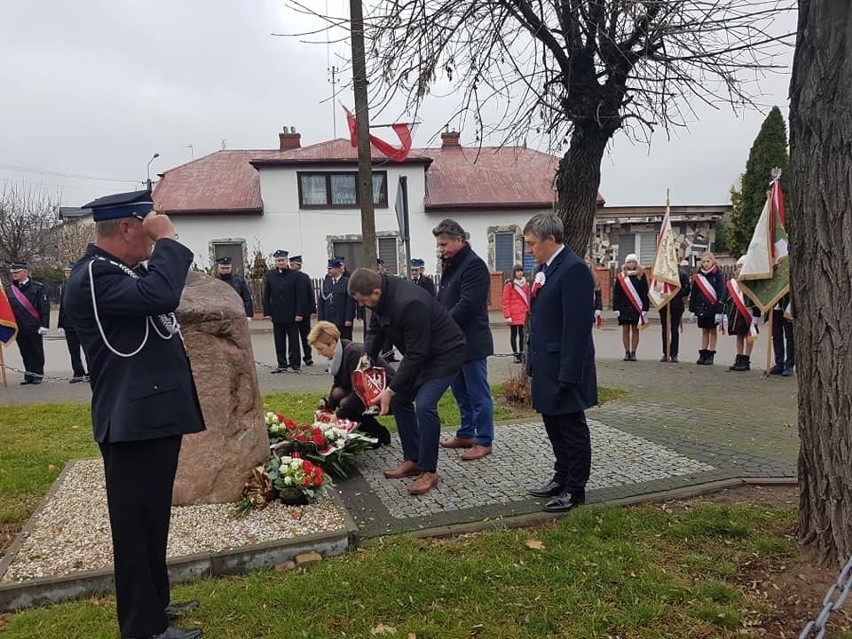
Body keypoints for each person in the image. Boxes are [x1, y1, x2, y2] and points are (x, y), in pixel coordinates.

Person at [63, 190, 205, 639]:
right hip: (131, 424)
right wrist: (169, 241)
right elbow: (162, 294)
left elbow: (155, 297)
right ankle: (144, 628)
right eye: (148, 223)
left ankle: (156, 607)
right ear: (126, 227)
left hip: (149, 418)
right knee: (135, 531)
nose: (154, 232)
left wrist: (158, 245)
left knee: (151, 522)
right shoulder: (94, 276)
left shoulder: (116, 272)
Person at [348, 268, 466, 495]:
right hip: (422, 355)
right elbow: (375, 330)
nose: (362, 305)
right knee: (401, 401)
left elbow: (416, 355)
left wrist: (389, 390)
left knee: (424, 404)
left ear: (376, 291)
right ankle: (413, 460)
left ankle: (429, 471)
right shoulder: (380, 297)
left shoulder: (410, 303)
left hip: (445, 355)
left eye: (363, 301)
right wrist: (366, 358)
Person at [523, 212, 596, 513]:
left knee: (571, 428)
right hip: (547, 365)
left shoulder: (573, 269)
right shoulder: (548, 268)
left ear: (550, 239)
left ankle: (575, 489)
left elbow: (577, 328)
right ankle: (561, 477)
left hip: (566, 368)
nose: (529, 250)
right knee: (553, 425)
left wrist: (569, 374)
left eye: (532, 243)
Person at [433, 218, 495, 461]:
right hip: (453, 343)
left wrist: (441, 326)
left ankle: (484, 440)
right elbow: (443, 299)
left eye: (445, 244)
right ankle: (467, 433)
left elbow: (466, 305)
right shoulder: (450, 264)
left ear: (460, 240)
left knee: (478, 394)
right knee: (460, 391)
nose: (441, 249)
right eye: (439, 245)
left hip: (472, 342)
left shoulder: (474, 265)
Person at [307, 320, 393, 446]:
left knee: (346, 404)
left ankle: (379, 433)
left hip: (386, 393)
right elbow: (338, 384)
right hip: (367, 392)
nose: (319, 353)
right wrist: (328, 408)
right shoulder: (339, 353)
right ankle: (370, 430)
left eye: (320, 349)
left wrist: (338, 415)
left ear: (333, 343)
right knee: (337, 394)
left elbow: (359, 391)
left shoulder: (353, 354)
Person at [262, 249, 308, 373]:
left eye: (282, 260)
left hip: (292, 314)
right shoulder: (271, 275)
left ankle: (295, 365)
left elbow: (300, 296)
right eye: (278, 261)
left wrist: (299, 313)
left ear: (287, 261)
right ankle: (281, 364)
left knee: (293, 341)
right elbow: (267, 295)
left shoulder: (295, 275)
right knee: (279, 340)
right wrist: (267, 312)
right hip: (277, 313)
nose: (280, 263)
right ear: (275, 262)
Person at [6, 261, 50, 384]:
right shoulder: (10, 289)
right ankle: (29, 374)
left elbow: (44, 308)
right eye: (12, 273)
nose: (14, 275)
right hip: (19, 326)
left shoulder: (37, 287)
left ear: (25, 272)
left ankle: (38, 374)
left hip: (34, 326)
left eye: (17, 272)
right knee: (25, 351)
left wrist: (44, 325)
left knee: (36, 351)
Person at [688, 251, 726, 365]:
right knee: (704, 331)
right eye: (703, 262)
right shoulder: (698, 276)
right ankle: (703, 353)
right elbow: (694, 293)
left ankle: (711, 353)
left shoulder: (718, 275)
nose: (705, 264)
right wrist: (692, 310)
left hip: (713, 308)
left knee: (712, 331)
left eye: (708, 261)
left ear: (712, 261)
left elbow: (721, 293)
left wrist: (719, 311)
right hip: (701, 307)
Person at [724, 256, 761, 371]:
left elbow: (756, 300)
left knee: (749, 337)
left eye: (742, 266)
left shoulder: (752, 283)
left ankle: (746, 359)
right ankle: (739, 358)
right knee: (739, 336)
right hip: (736, 315)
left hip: (748, 315)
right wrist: (724, 314)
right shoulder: (732, 283)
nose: (740, 269)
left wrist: (756, 316)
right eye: (738, 267)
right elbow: (725, 299)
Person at [611, 254, 649, 361]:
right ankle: (627, 352)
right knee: (625, 330)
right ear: (626, 264)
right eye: (629, 262)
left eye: (633, 262)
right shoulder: (621, 277)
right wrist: (616, 308)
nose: (631, 264)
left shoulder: (641, 276)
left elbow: (645, 293)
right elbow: (616, 293)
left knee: (635, 330)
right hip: (624, 307)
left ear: (636, 263)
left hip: (637, 307)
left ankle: (634, 352)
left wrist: (645, 308)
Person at [58, 261, 89, 382]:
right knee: (73, 351)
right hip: (68, 324)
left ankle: (91, 372)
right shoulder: (64, 287)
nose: (67, 274)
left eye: (69, 272)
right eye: (65, 272)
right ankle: (78, 372)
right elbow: (62, 307)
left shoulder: (81, 284)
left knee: (87, 350)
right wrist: (60, 324)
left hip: (81, 324)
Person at [658, 260, 692, 363]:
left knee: (674, 329)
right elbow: (656, 288)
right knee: (665, 329)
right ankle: (665, 353)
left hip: (677, 304)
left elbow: (687, 290)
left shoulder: (682, 274)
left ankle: (674, 354)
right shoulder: (660, 274)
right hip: (663, 304)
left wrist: (675, 291)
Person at [317, 258, 355, 341]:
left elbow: (350, 303)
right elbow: (321, 302)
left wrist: (348, 318)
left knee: (344, 341)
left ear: (338, 269)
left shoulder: (347, 282)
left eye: (331, 269)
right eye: (328, 269)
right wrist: (321, 319)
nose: (328, 271)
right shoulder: (326, 282)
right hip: (329, 319)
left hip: (341, 319)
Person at [288, 255, 315, 366]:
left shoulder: (304, 277)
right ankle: (293, 358)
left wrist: (313, 309)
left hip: (304, 312)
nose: (292, 266)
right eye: (292, 264)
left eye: (294, 264)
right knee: (292, 338)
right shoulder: (288, 277)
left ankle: (308, 356)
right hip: (291, 312)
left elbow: (310, 294)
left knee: (306, 336)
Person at [502, 264, 530, 364]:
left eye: (521, 271)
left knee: (522, 335)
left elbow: (528, 299)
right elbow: (506, 301)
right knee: (514, 334)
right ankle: (515, 354)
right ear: (514, 273)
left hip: (523, 313)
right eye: (517, 271)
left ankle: (522, 354)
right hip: (513, 314)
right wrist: (507, 315)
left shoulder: (526, 285)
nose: (519, 273)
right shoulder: (509, 285)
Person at [770, 294, 794, 377]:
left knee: (790, 336)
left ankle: (789, 365)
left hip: (788, 304)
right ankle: (779, 364)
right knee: (776, 335)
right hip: (774, 304)